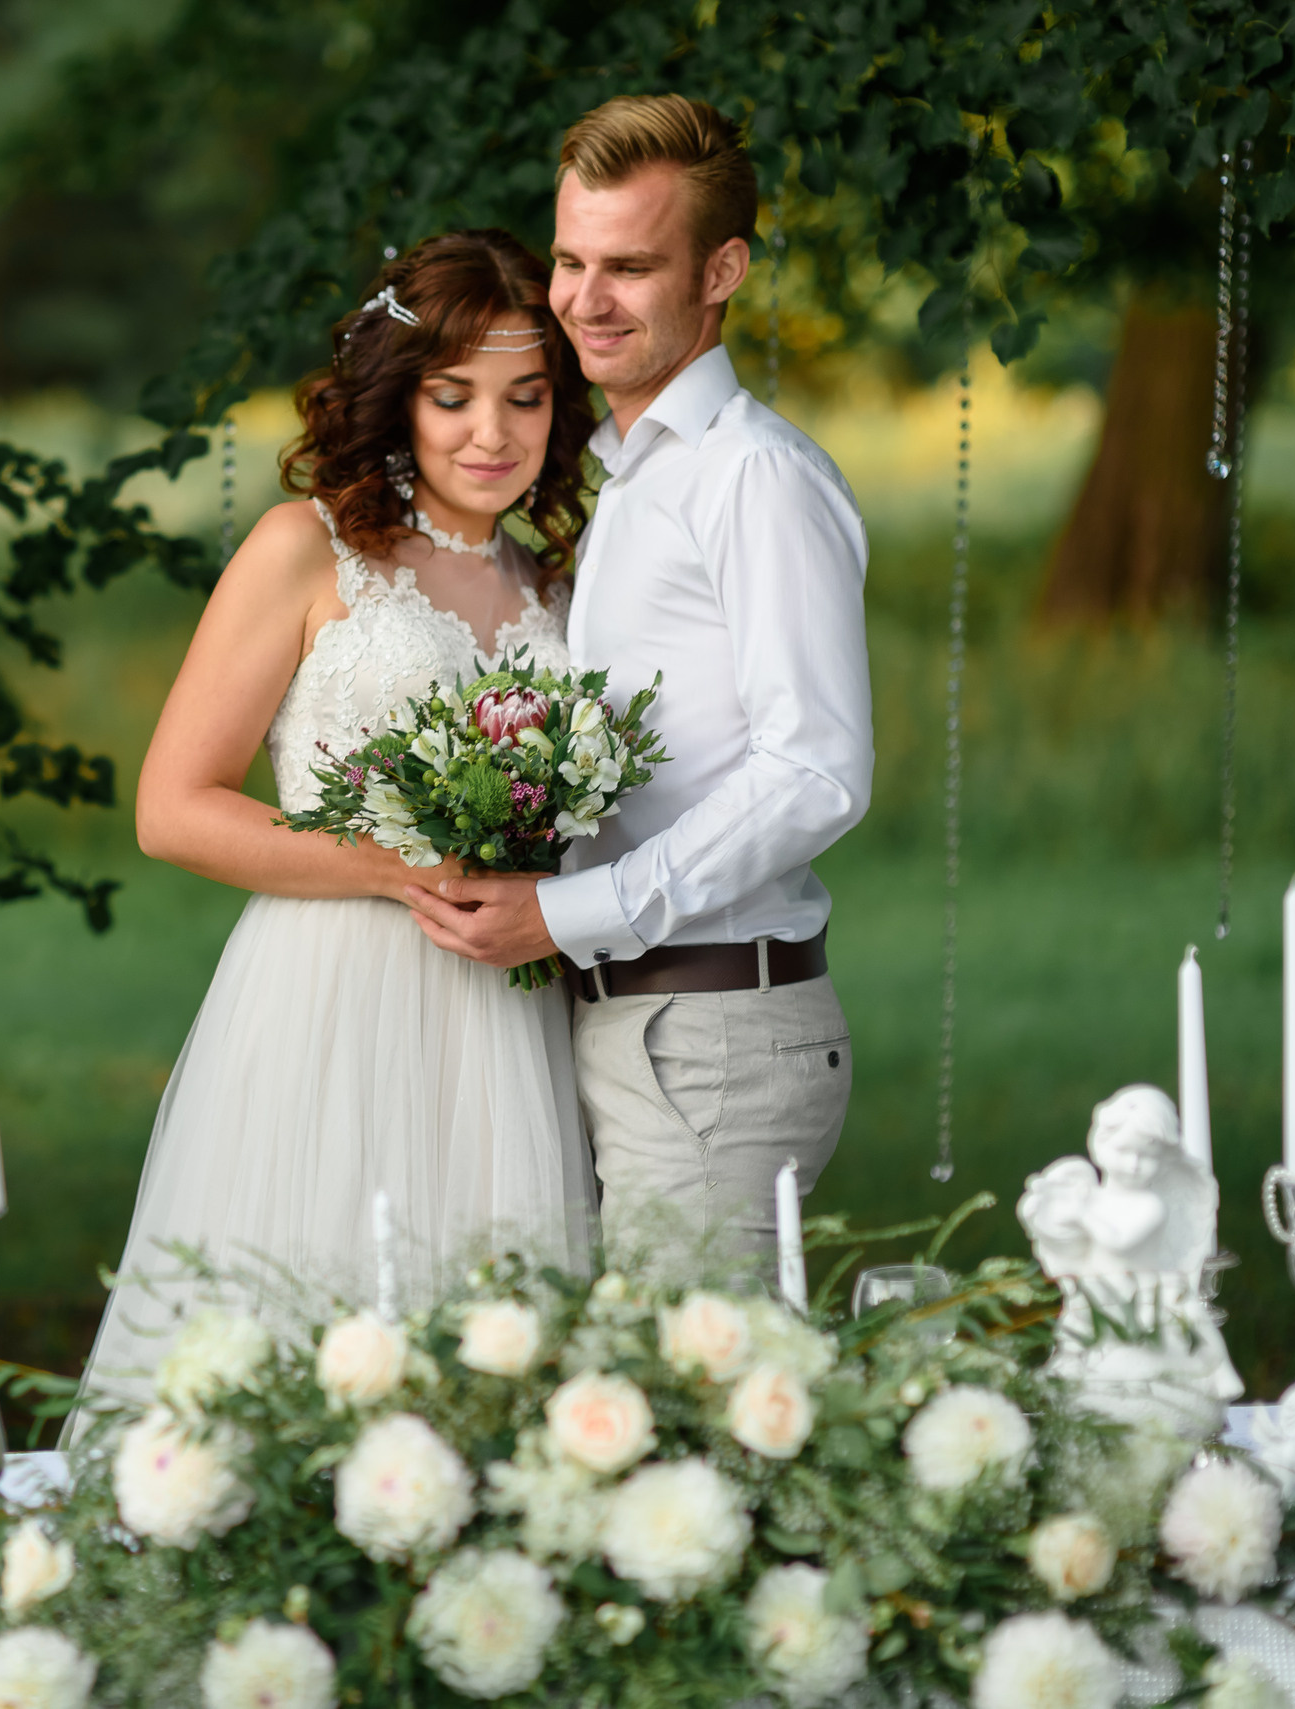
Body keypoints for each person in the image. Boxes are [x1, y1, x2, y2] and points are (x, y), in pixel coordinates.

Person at [81, 230, 599, 1398]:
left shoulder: (557, 588)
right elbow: (171, 808)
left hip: (509, 1012)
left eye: (525, 397)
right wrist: (391, 864)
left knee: (486, 1352)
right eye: (452, 396)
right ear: (398, 395)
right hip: (328, 992)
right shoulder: (305, 549)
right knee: (300, 1343)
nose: (491, 432)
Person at [404, 95, 874, 1264]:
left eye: (630, 266)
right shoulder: (627, 474)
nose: (583, 298)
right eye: (571, 260)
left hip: (713, 1034)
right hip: (640, 1024)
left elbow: (815, 769)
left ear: (721, 272)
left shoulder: (751, 476)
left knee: (690, 1378)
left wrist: (568, 913)